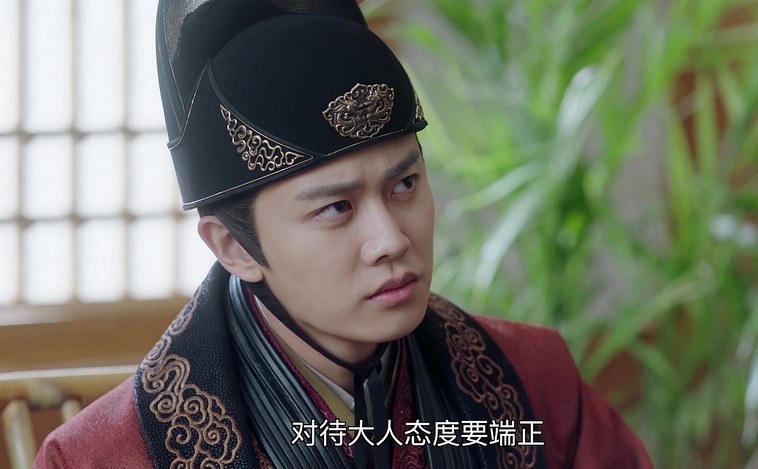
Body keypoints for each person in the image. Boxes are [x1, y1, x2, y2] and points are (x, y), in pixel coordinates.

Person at [34, 0, 652, 467]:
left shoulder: (534, 384)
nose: (391, 239)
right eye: (335, 208)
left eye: (404, 184)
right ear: (234, 246)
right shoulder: (100, 456)